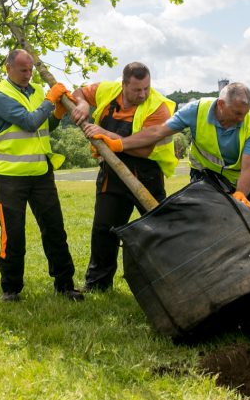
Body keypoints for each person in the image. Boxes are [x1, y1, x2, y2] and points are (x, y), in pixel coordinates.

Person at [91, 81, 250, 255]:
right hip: (204, 178)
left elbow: (249, 167)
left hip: (238, 182)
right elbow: (157, 132)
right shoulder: (196, 111)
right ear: (220, 104)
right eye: (236, 113)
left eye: (244, 113)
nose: (241, 119)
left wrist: (241, 193)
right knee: (203, 229)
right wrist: (121, 144)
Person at [69, 62, 177, 292]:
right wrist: (82, 104)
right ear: (124, 83)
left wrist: (109, 137)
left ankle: (173, 278)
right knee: (104, 228)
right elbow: (79, 93)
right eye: (137, 89)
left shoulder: (158, 107)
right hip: (112, 172)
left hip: (146, 174)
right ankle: (97, 284)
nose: (143, 94)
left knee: (157, 228)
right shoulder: (108, 90)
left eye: (146, 88)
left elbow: (144, 148)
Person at [0, 49, 83, 302]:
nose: (28, 75)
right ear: (8, 67)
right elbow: (29, 122)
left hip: (41, 172)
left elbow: (43, 125)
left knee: (55, 230)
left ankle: (65, 285)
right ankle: (11, 290)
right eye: (22, 70)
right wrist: (51, 100)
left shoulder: (39, 92)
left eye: (30, 70)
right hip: (9, 176)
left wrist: (58, 114)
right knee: (14, 235)